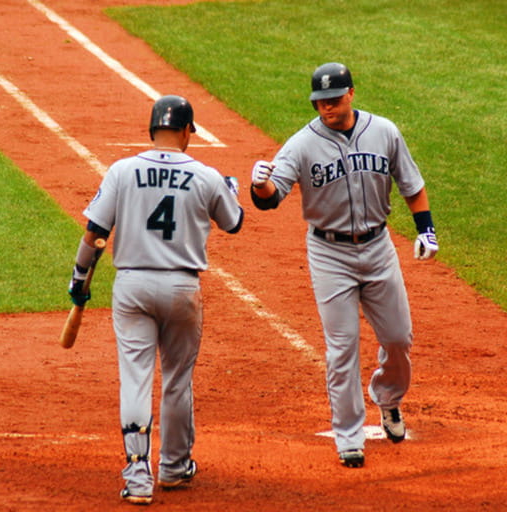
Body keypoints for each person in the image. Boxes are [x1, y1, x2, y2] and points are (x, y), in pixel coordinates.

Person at [249, 62, 438, 468]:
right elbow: (269, 198)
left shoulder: (384, 132)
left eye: (333, 100)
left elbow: (412, 184)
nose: (326, 108)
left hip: (378, 247)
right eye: (320, 102)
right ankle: (349, 436)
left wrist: (426, 230)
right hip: (329, 253)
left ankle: (388, 398)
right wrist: (259, 183)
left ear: (352, 93)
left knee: (399, 338)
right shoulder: (301, 144)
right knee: (341, 348)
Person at [67, 95, 244, 504]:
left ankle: (137, 473)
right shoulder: (206, 175)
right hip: (183, 289)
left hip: (132, 288)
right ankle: (175, 467)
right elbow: (234, 223)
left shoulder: (122, 170)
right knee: (178, 381)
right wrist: (229, 190)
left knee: (135, 376)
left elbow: (95, 233)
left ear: (151, 130)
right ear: (186, 132)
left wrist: (80, 279)